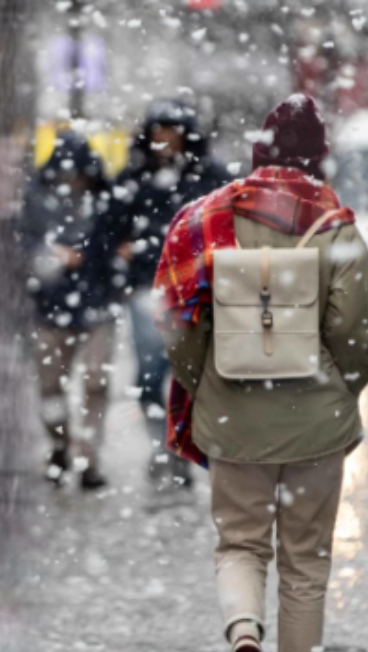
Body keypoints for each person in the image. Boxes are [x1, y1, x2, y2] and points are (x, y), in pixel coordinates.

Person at [155, 94, 368, 652]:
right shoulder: (335, 224)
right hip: (316, 422)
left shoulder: (204, 218)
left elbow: (178, 322)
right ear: (320, 157)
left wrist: (208, 382)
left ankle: (245, 638)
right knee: (306, 564)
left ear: (259, 151)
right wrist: (342, 389)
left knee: (240, 546)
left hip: (233, 414)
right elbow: (355, 335)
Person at [97, 98, 232, 488]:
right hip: (148, 292)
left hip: (195, 292)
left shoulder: (208, 179)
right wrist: (123, 267)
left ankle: (180, 446)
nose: (165, 140)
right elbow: (108, 231)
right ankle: (164, 446)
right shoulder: (134, 179)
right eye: (159, 132)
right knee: (152, 372)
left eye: (172, 132)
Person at [19, 131, 115, 490]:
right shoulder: (36, 199)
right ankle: (59, 446)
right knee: (49, 386)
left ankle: (88, 458)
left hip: (96, 307)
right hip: (50, 306)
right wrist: (48, 257)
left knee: (96, 383)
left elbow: (114, 242)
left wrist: (89, 259)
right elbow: (23, 244)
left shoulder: (103, 198)